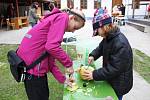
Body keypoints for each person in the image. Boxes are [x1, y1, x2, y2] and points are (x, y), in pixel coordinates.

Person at [17, 8, 85, 100]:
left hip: (32, 72)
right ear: (72, 18)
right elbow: (52, 47)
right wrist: (68, 64)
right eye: (75, 27)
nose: (73, 31)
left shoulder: (55, 20)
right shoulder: (62, 18)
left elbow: (50, 59)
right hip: (33, 73)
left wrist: (63, 79)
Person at [82, 8, 133, 100]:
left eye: (97, 31)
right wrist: (93, 55)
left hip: (119, 83)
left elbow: (114, 68)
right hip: (112, 78)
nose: (98, 34)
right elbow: (101, 48)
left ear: (103, 27)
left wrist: (94, 75)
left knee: (115, 97)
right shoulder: (108, 37)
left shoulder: (120, 43)